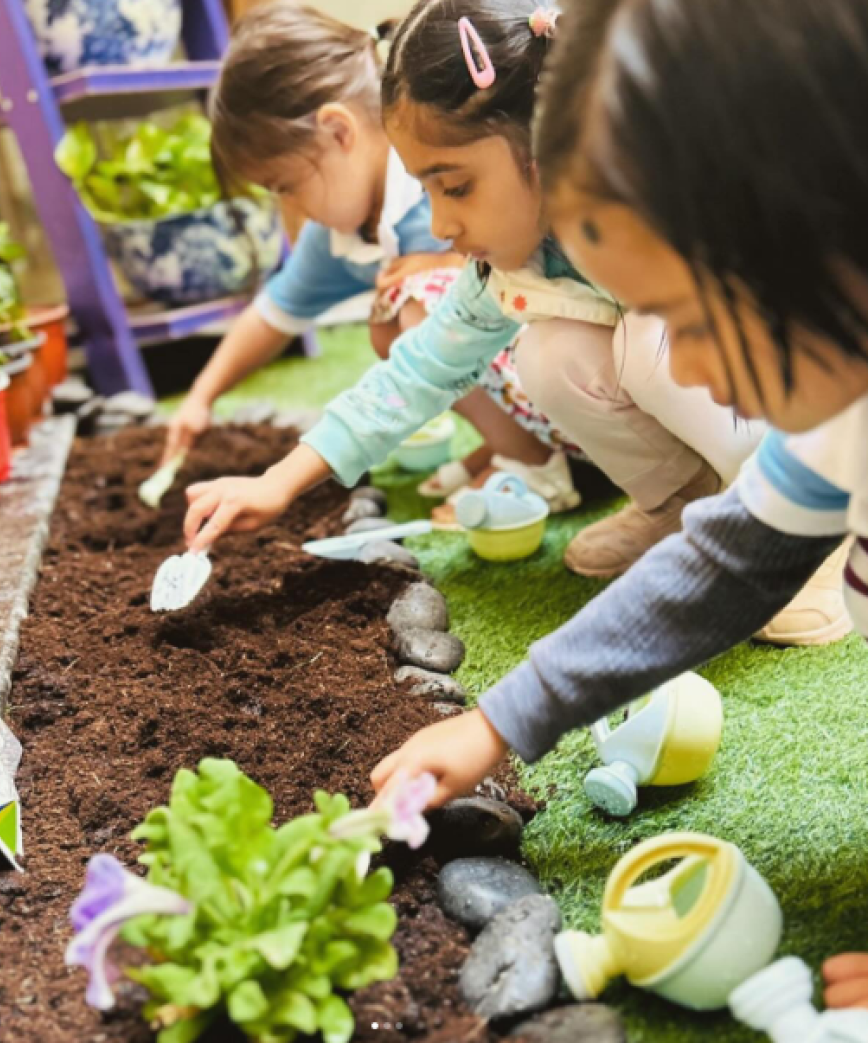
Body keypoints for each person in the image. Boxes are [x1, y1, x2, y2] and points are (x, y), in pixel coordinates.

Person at [368, 0, 868, 1010]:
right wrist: (497, 724)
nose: (681, 365)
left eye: (686, 315)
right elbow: (724, 564)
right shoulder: (832, 423)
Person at [180, 0, 846, 646]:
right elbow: (417, 372)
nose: (440, 224)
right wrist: (277, 481)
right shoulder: (507, 267)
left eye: (456, 186)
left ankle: (802, 526)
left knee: (651, 340)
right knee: (547, 357)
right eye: (427, 188)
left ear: (544, 145)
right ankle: (683, 505)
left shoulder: (659, 197)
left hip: (819, 417)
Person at [161, 3, 574, 511]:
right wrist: (201, 397)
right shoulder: (340, 232)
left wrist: (446, 265)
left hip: (574, 373)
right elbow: (275, 312)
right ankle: (515, 445)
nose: (292, 209)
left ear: (339, 132)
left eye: (287, 187)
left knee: (411, 303)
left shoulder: (445, 171)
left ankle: (533, 459)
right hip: (521, 369)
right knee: (398, 320)